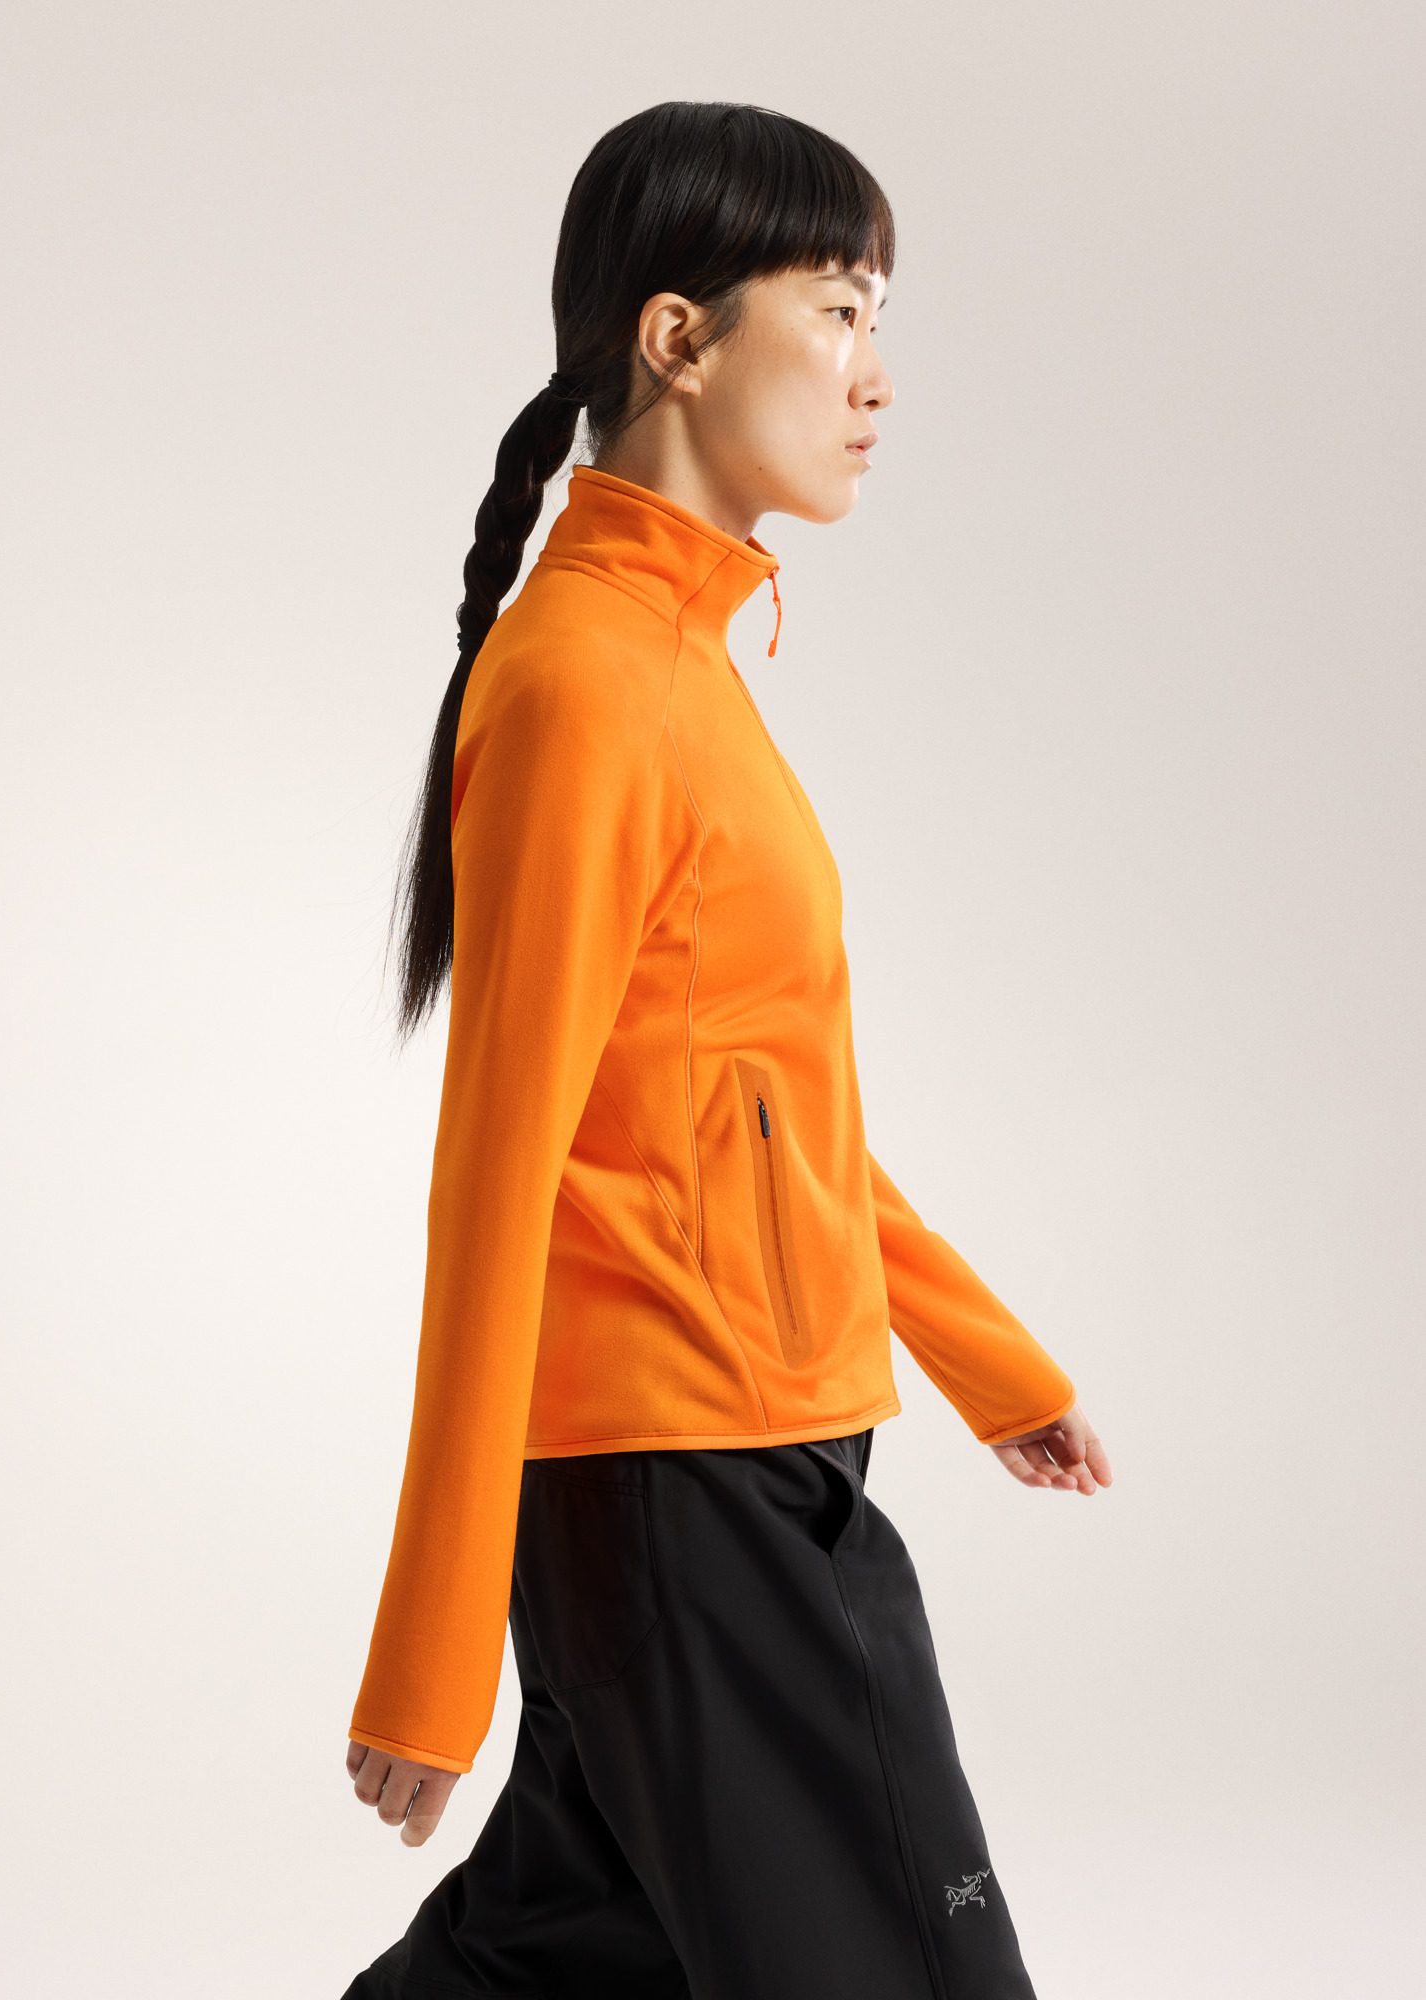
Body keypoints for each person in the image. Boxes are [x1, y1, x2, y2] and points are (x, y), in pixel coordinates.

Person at [341, 100, 1112, 2000]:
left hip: (717, 1465)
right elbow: (499, 1168)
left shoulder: (681, 665)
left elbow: (762, 1112)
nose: (877, 375)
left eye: (878, 320)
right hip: (698, 1483)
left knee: (553, 1964)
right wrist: (431, 1652)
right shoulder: (591, 684)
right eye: (840, 309)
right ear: (678, 338)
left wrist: (988, 1361)